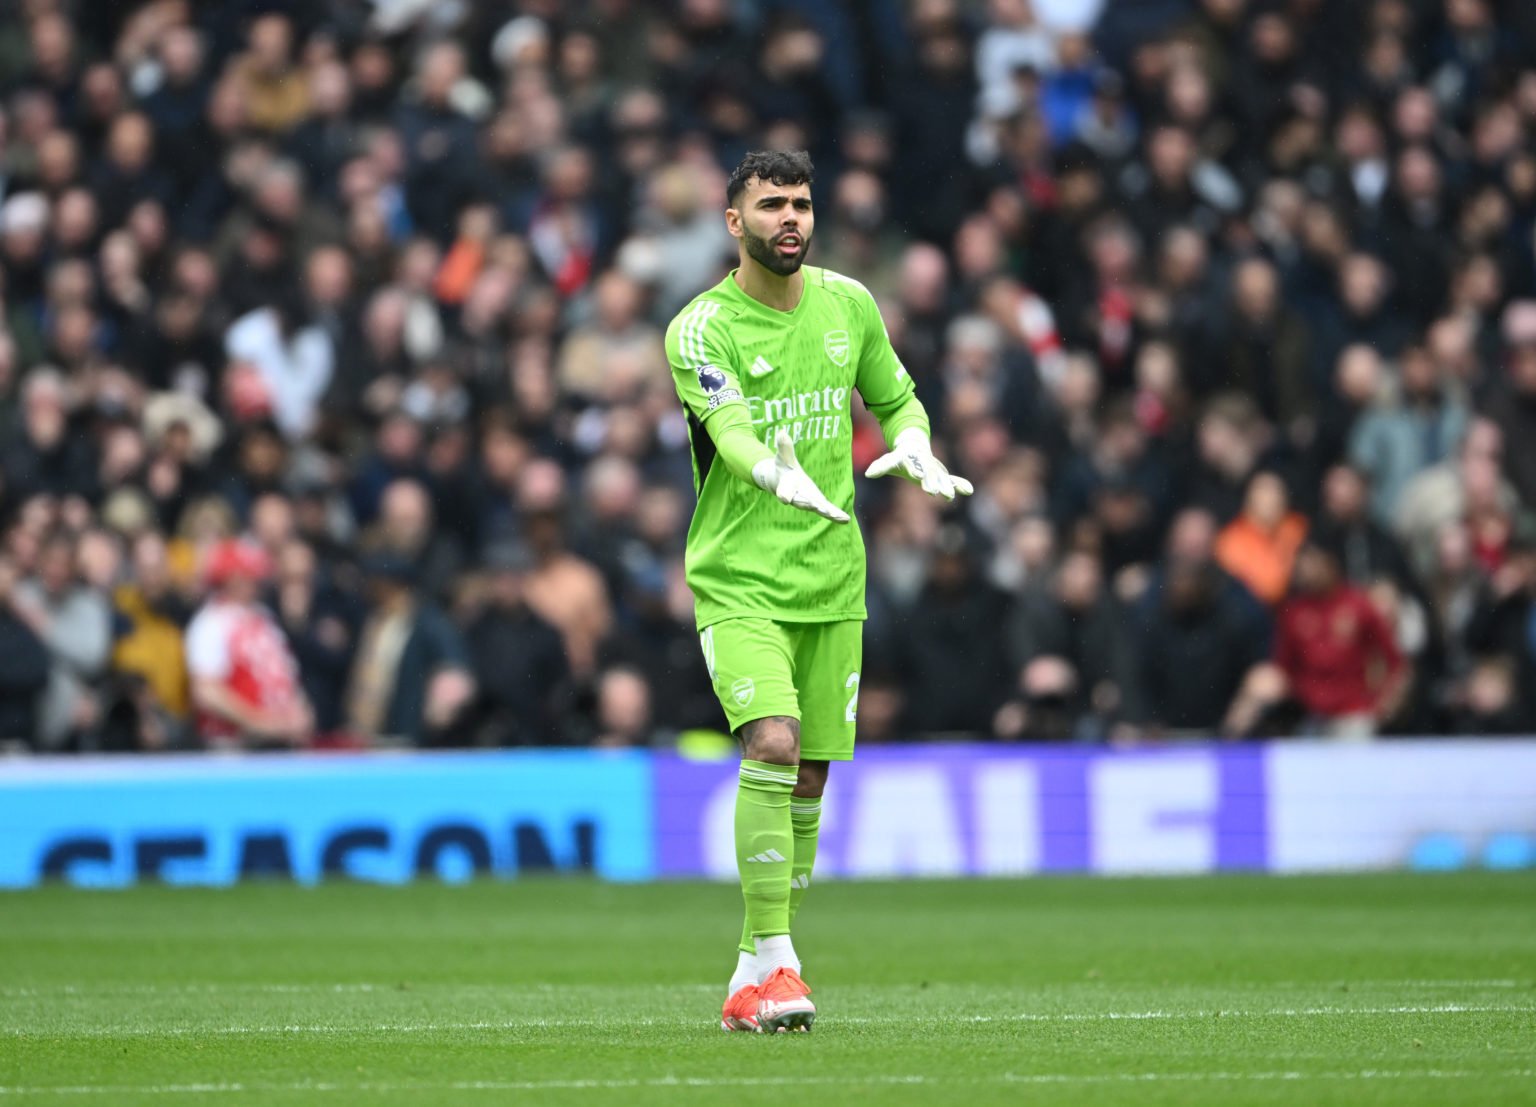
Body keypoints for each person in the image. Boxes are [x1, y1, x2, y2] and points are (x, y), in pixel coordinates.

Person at [664, 150, 972, 1034]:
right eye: (771, 206)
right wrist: (774, 472)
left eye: (801, 204)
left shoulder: (851, 305)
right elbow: (728, 431)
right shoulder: (700, 329)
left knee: (808, 772)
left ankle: (749, 970)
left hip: (833, 580)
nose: (790, 218)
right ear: (735, 223)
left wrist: (914, 443)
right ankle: (784, 961)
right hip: (741, 580)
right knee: (771, 737)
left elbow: (898, 395)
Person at [185, 537, 314, 749]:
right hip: (235, 746)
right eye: (247, 575)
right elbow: (206, 692)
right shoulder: (210, 622)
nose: (254, 582)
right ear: (228, 578)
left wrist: (300, 712)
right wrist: (259, 722)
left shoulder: (263, 615)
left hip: (279, 743)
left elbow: (284, 671)